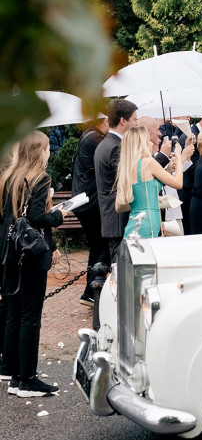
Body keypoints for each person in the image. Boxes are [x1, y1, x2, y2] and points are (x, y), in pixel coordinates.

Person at [0, 131, 70, 397]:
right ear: (38, 151)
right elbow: (38, 218)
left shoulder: (8, 178)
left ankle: (14, 374)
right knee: (30, 317)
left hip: (10, 255)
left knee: (14, 315)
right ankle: (27, 379)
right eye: (47, 147)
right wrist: (59, 215)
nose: (49, 151)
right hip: (29, 256)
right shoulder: (39, 179)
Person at [115, 126, 183, 239]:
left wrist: (147, 201)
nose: (152, 144)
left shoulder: (127, 167)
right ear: (142, 144)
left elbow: (119, 207)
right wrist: (179, 157)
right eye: (148, 141)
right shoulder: (148, 162)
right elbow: (178, 183)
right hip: (148, 224)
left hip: (135, 223)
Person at [71, 116, 110, 307]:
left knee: (97, 245)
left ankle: (91, 292)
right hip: (90, 201)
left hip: (85, 201)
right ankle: (92, 290)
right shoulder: (96, 139)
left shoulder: (89, 136)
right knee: (104, 244)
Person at [94, 99, 139, 263]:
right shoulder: (116, 146)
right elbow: (129, 178)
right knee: (121, 272)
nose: (136, 123)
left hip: (112, 217)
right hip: (118, 218)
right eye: (134, 119)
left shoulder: (105, 143)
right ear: (123, 120)